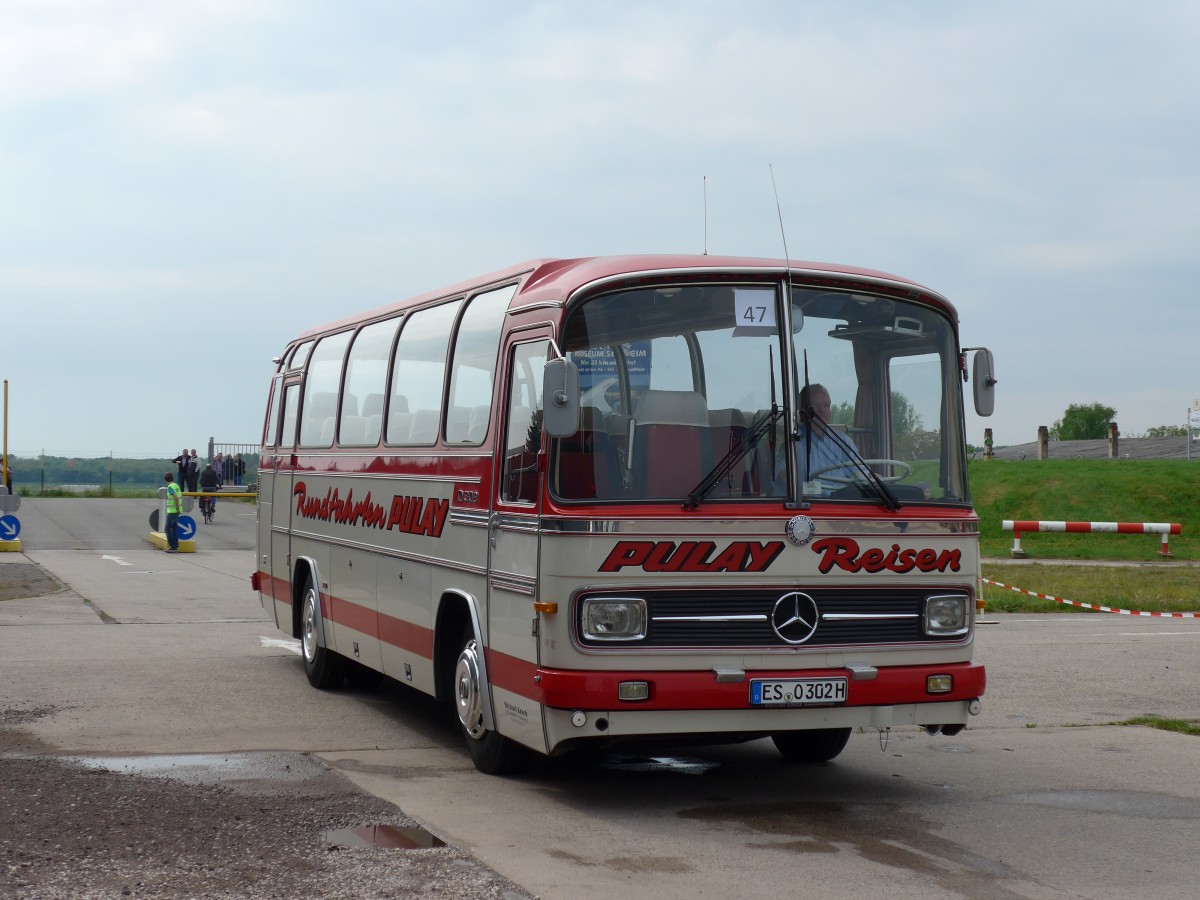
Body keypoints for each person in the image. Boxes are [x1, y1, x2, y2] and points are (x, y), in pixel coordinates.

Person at [787, 383, 862, 493]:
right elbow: (785, 481)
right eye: (814, 405)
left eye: (826, 405)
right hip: (809, 502)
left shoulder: (843, 441)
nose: (822, 410)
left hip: (844, 500)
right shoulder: (792, 439)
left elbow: (861, 474)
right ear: (801, 410)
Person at [163, 472, 182, 552]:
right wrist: (178, 509)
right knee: (174, 529)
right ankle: (176, 545)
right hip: (177, 510)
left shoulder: (170, 487)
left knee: (167, 529)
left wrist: (177, 508)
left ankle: (173, 546)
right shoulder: (176, 485)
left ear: (165, 479)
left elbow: (176, 497)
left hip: (172, 511)